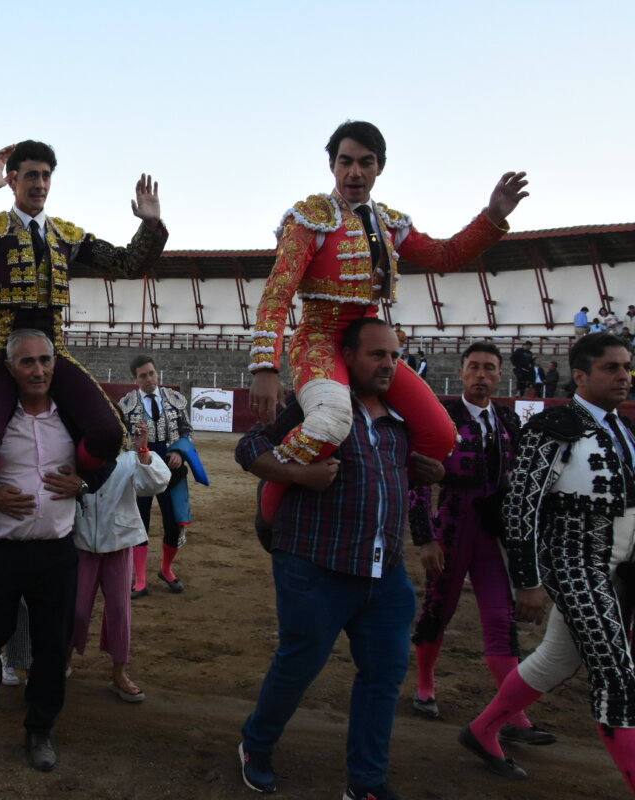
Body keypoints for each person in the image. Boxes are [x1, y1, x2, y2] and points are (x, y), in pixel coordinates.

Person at [247, 120, 527, 522]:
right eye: (346, 161)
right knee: (329, 421)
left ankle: (376, 481)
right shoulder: (310, 218)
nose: (355, 172)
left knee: (441, 435)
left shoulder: (391, 224)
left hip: (373, 343)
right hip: (320, 339)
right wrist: (265, 366)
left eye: (366, 162)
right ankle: (275, 502)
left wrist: (493, 216)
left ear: (380, 167)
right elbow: (277, 295)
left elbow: (445, 256)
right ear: (332, 165)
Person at [235, 318, 445, 800]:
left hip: (385, 573)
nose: (389, 364)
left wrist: (430, 474)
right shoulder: (317, 406)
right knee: (299, 667)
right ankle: (256, 743)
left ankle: (366, 782)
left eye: (394, 356)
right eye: (377, 355)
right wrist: (300, 475)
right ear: (347, 357)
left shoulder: (401, 419)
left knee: (384, 676)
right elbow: (249, 449)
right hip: (314, 564)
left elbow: (401, 481)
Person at [0, 140, 167, 479]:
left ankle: (77, 489)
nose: (39, 184)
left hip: (53, 349)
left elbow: (127, 264)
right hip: (2, 350)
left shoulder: (66, 235)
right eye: (30, 176)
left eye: (45, 176)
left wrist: (151, 226)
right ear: (12, 180)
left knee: (110, 432)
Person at [460, 333, 635, 791]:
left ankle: (481, 729)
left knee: (558, 658)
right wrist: (529, 582)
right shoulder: (552, 428)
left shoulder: (625, 430)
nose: (624, 376)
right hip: (575, 565)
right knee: (617, 676)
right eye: (611, 368)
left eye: (626, 366)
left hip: (621, 567)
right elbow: (521, 507)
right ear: (580, 375)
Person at [0, 328, 108, 773]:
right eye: (27, 362)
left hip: (56, 554)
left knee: (51, 647)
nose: (38, 369)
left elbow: (106, 460)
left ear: (56, 364)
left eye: (44, 360)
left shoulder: (73, 420)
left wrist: (85, 483)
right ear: (10, 369)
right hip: (1, 553)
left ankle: (40, 727)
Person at [408, 343, 554, 742]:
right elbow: (419, 480)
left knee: (500, 617)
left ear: (499, 375)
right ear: (461, 373)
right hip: (452, 529)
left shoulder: (507, 421)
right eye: (474, 367)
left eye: (489, 368)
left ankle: (513, 713)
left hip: (492, 534)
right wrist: (425, 538)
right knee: (438, 609)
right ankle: (425, 685)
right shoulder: (442, 419)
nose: (481, 375)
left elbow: (520, 482)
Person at [72, 419, 170, 703]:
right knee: (76, 609)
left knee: (119, 610)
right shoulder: (76, 458)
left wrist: (143, 452)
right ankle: (63, 659)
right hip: (81, 543)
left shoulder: (129, 460)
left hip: (118, 543)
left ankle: (120, 672)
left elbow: (156, 483)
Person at [118, 355, 197, 596]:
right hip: (140, 464)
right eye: (143, 376)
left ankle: (166, 569)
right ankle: (140, 580)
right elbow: (122, 439)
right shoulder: (126, 404)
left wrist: (181, 454)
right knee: (139, 522)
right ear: (135, 379)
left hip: (171, 466)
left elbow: (187, 431)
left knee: (174, 523)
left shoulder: (175, 399)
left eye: (152, 373)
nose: (149, 379)